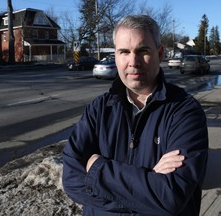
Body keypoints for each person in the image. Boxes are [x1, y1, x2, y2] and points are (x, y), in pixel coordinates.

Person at [62, 15, 208, 216]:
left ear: (160, 53)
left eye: (143, 51)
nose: (133, 62)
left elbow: (171, 197)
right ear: (116, 56)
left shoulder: (184, 112)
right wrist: (147, 192)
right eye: (124, 52)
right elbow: (71, 180)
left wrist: (97, 169)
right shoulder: (99, 109)